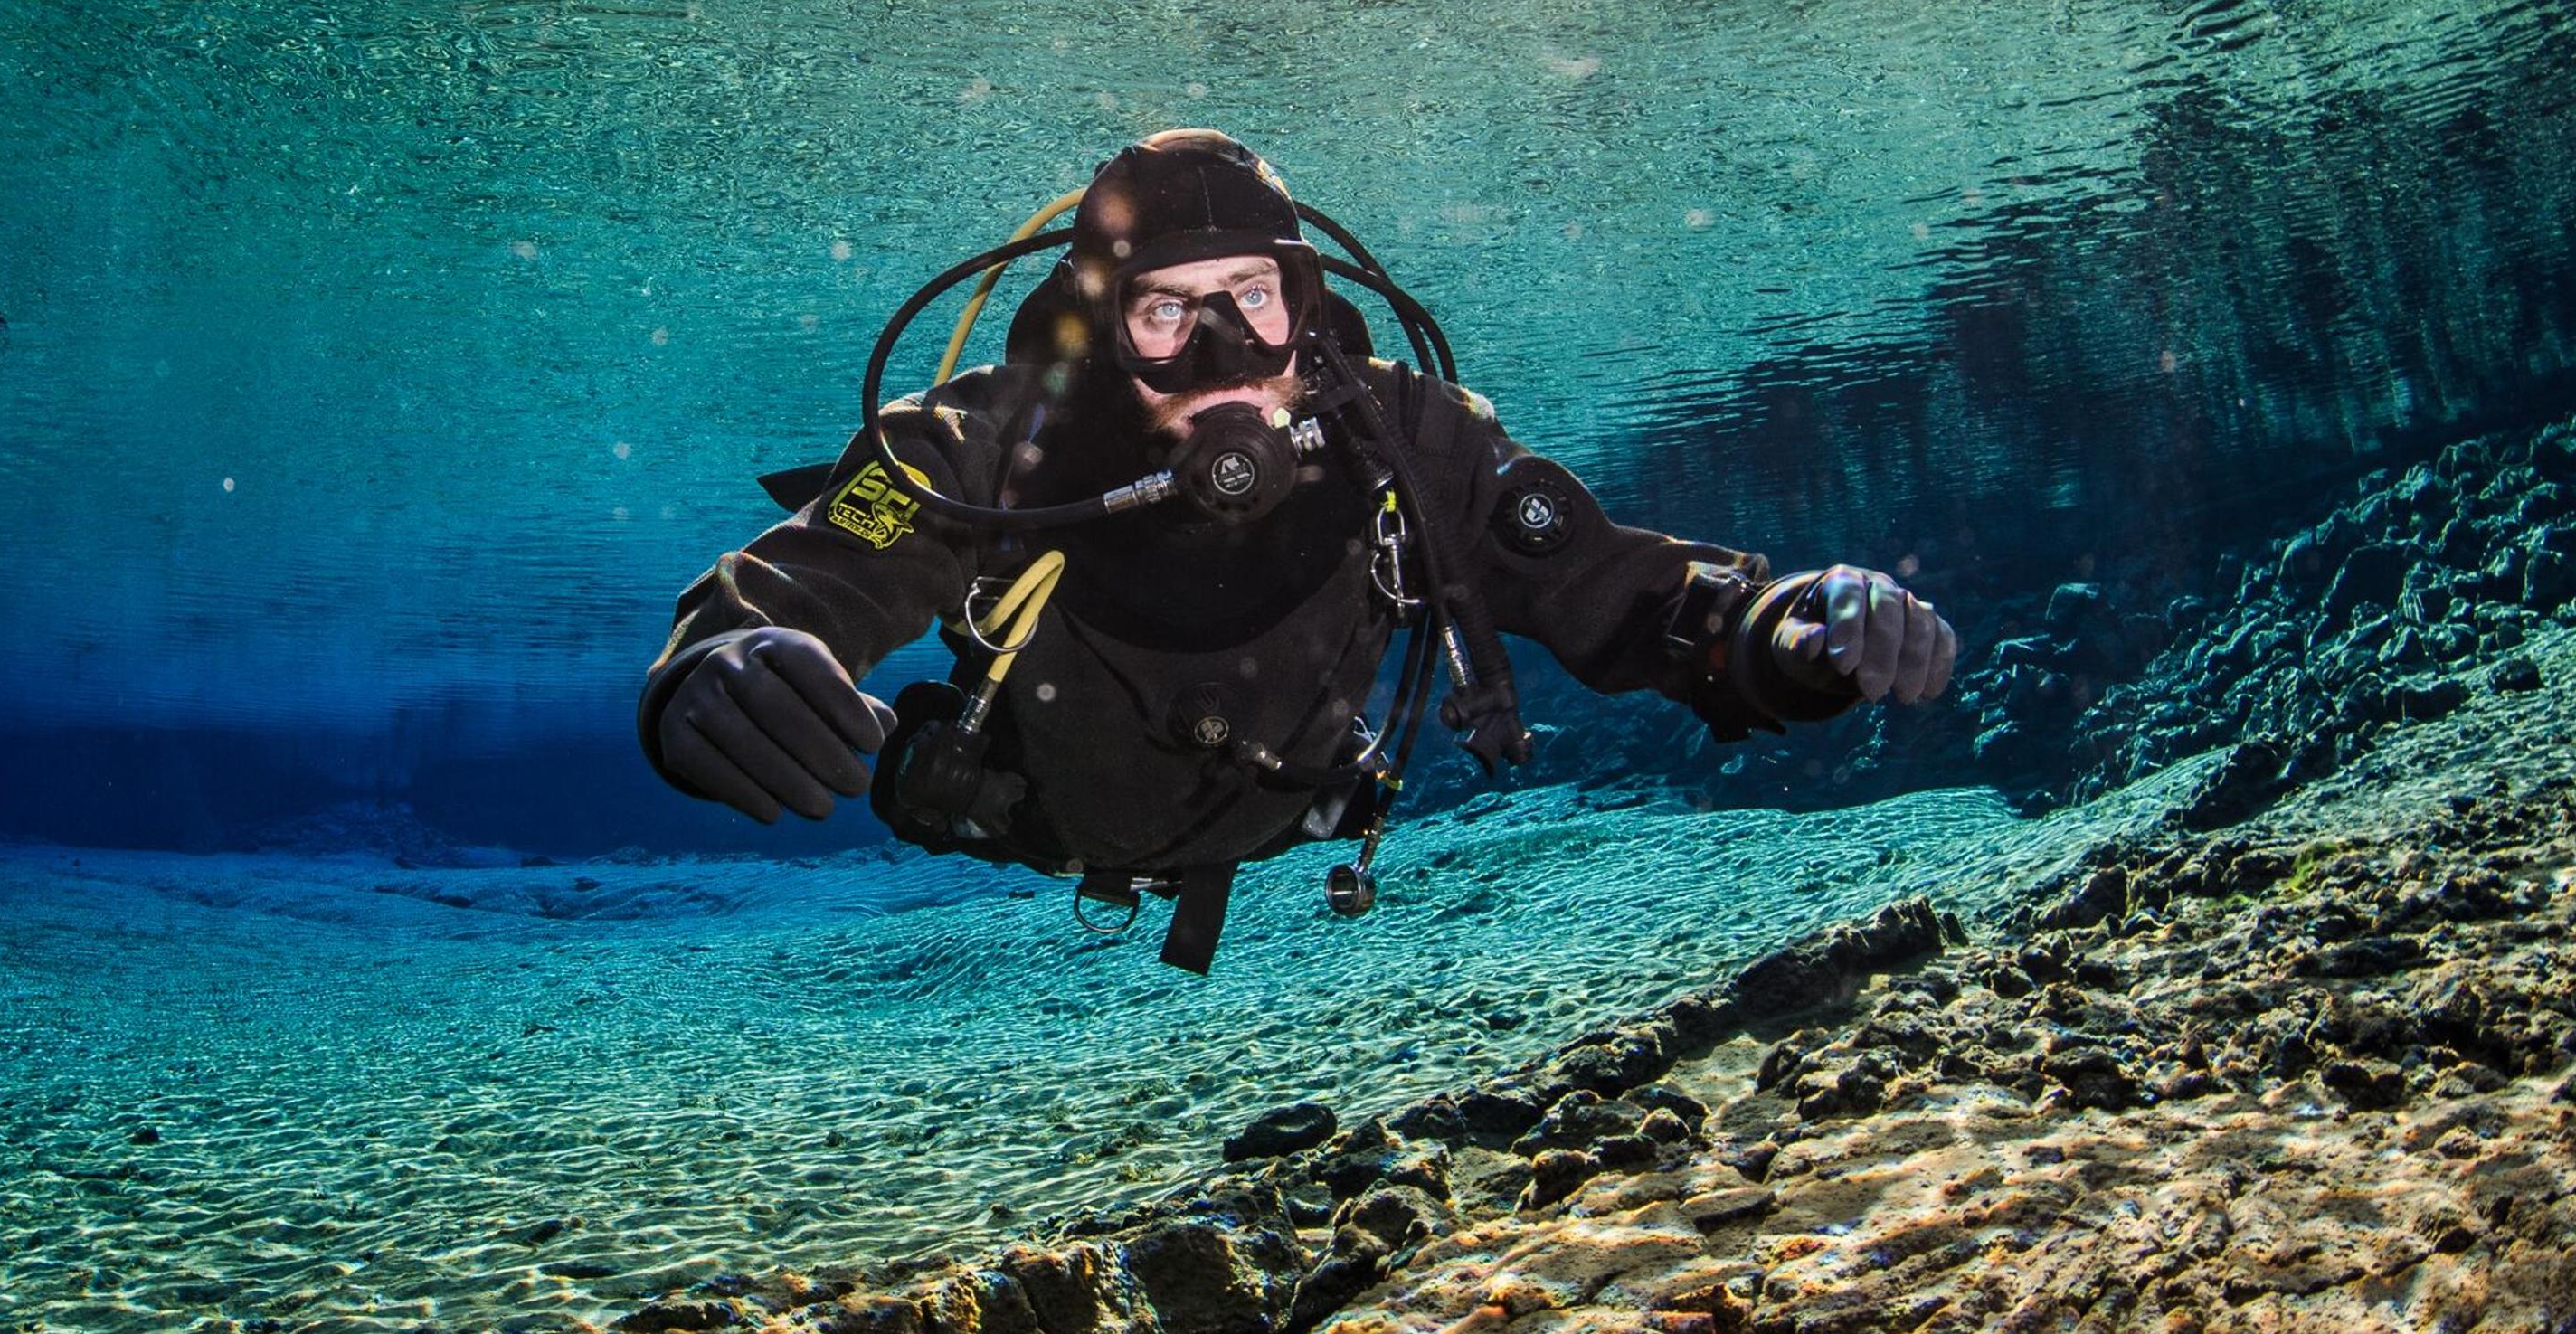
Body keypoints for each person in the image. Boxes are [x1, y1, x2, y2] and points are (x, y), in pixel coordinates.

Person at [637, 132, 1955, 969]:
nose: (1217, 355)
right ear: (1099, 324)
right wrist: (725, 654)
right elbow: (814, 567)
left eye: (1250, 303)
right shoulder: (986, 441)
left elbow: (1610, 591)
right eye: (1165, 314)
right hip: (1037, 821)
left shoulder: (1406, 438)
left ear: (1305, 309)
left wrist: (1780, 627)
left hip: (1299, 813)